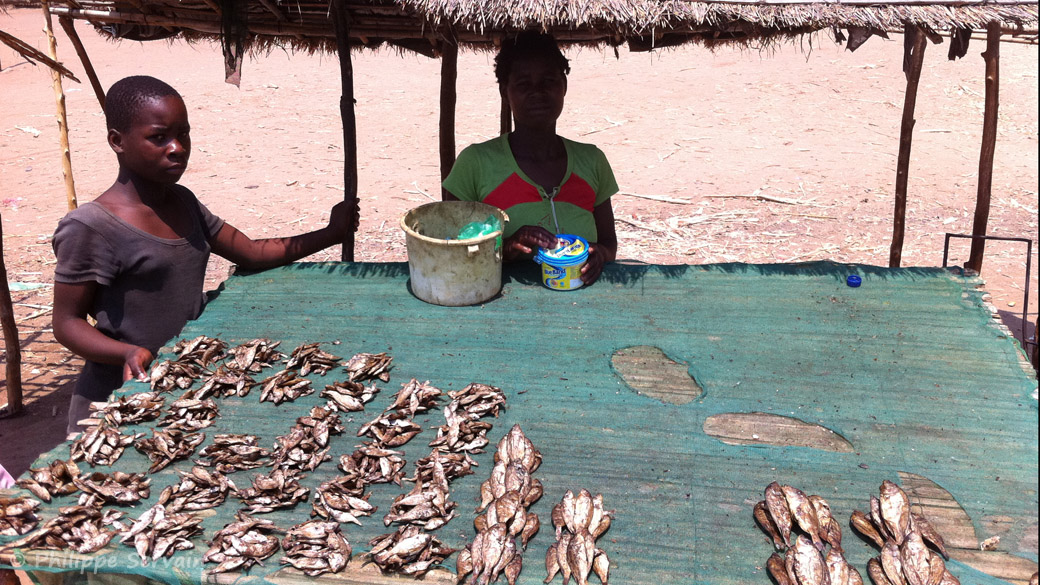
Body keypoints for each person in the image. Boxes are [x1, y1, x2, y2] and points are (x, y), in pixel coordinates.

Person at [53, 75, 356, 433]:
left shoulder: (183, 202)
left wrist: (330, 233)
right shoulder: (90, 226)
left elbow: (251, 253)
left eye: (184, 134)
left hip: (182, 386)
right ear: (117, 141)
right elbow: (66, 323)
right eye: (159, 137)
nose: (177, 147)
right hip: (116, 398)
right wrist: (126, 353)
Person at [442, 32, 618, 284]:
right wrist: (508, 247)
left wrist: (599, 254)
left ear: (564, 86)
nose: (538, 92)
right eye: (524, 84)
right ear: (505, 92)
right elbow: (449, 246)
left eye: (548, 81)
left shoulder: (592, 161)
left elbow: (608, 244)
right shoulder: (475, 163)